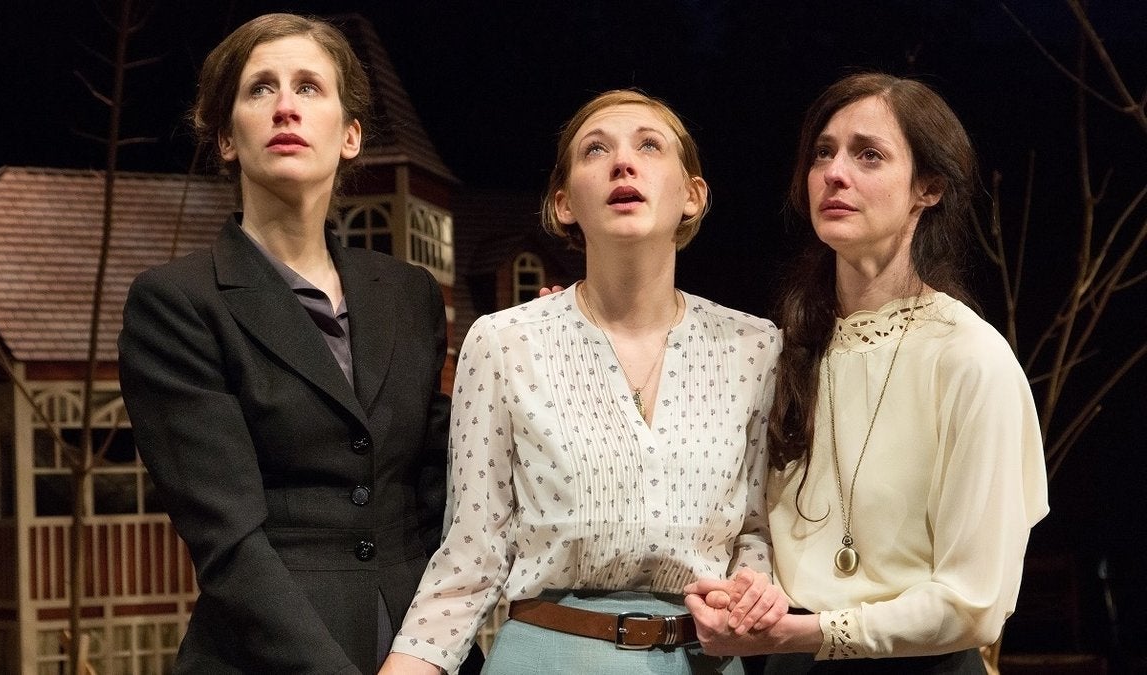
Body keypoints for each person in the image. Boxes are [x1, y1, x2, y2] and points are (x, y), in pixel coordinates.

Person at [118, 13, 480, 673]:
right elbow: (229, 543)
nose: (286, 106)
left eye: (309, 87)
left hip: (421, 649)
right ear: (226, 138)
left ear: (350, 135)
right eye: (261, 89)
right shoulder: (178, 302)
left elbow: (445, 492)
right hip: (268, 653)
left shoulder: (410, 293)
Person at [379, 89, 785, 675]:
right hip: (548, 654)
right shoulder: (504, 343)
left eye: (650, 146)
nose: (624, 162)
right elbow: (472, 552)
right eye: (596, 149)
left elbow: (756, 529)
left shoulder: (754, 347)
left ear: (693, 196)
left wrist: (749, 591)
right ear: (564, 203)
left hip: (703, 660)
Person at [683, 72, 1050, 672]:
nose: (834, 172)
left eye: (868, 155)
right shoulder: (785, 352)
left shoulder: (968, 359)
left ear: (927, 188)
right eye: (823, 152)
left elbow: (973, 604)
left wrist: (806, 633)